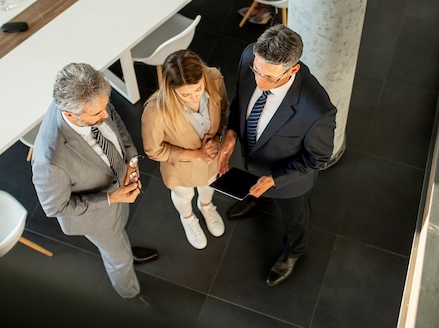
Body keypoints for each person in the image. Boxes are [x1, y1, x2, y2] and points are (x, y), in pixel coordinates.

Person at [218, 24, 337, 286]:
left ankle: (294, 252)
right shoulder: (251, 56)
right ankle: (259, 199)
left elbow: (317, 159)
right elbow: (241, 99)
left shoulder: (317, 110)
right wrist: (231, 134)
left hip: (288, 182)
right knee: (255, 187)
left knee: (296, 220)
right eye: (256, 71)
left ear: (293, 69)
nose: (259, 82)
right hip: (254, 162)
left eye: (269, 78)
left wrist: (274, 180)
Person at [31, 63, 157, 310]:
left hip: (118, 189)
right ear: (70, 114)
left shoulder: (91, 98)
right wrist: (111, 198)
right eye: (97, 114)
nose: (106, 115)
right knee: (117, 258)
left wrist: (131, 162)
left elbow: (117, 127)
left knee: (120, 233)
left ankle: (125, 247)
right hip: (96, 216)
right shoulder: (49, 161)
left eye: (105, 105)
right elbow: (55, 207)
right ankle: (130, 295)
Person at [141, 50, 228, 250]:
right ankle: (188, 218)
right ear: (171, 89)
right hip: (180, 167)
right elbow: (154, 151)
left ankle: (206, 207)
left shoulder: (214, 78)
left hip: (211, 158)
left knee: (209, 185)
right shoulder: (155, 111)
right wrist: (196, 154)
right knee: (184, 196)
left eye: (198, 89)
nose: (193, 98)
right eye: (184, 94)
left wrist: (216, 138)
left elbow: (223, 110)